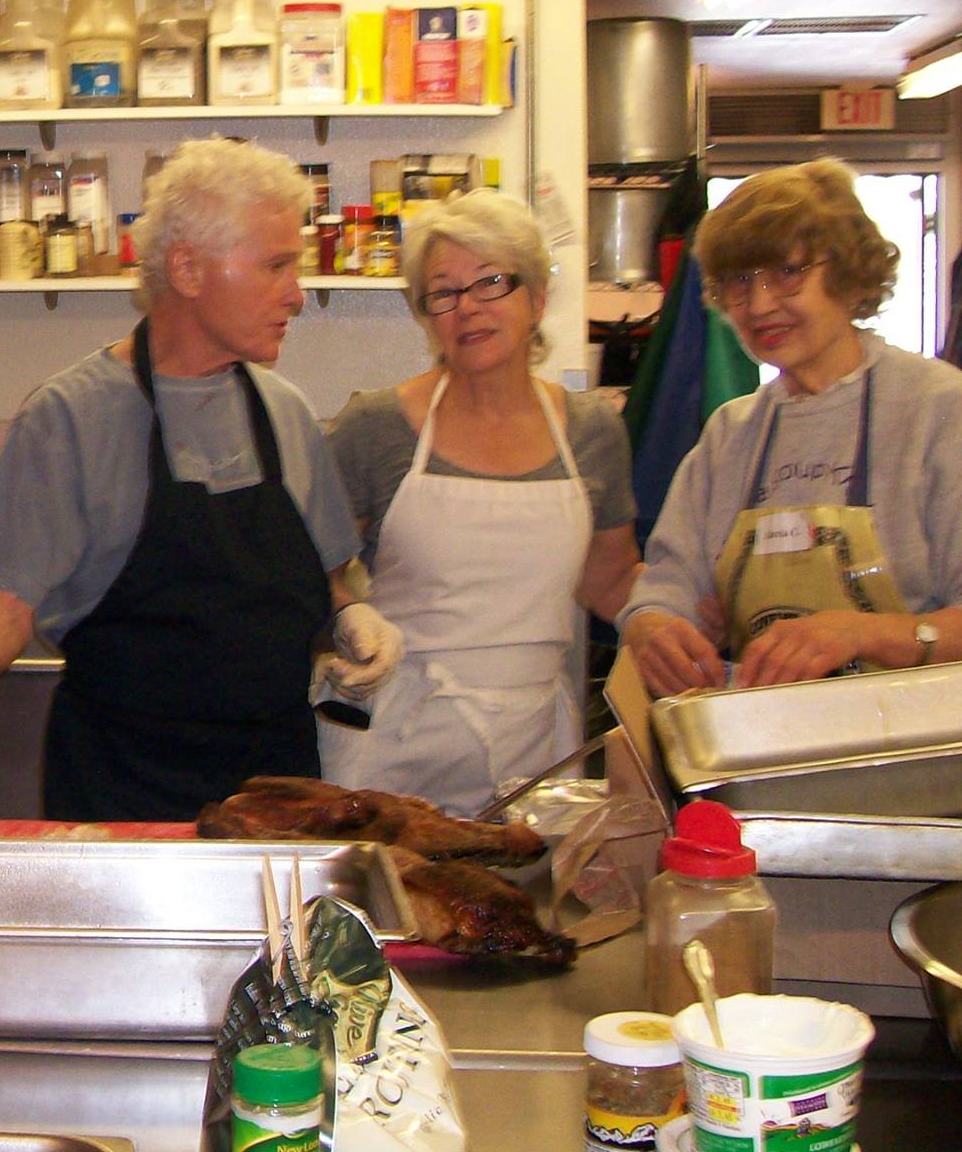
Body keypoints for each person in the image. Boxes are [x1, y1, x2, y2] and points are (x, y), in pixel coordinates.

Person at [0, 139, 401, 822]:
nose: (297, 294)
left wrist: (350, 614)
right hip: (124, 798)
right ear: (189, 269)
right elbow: (8, 605)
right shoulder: (71, 417)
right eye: (276, 266)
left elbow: (326, 573)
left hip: (277, 799)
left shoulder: (284, 410)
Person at [318, 191, 642, 815]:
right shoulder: (376, 426)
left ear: (537, 299)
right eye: (444, 292)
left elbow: (612, 581)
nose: (468, 308)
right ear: (427, 315)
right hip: (394, 746)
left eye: (491, 282)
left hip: (534, 751)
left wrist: (680, 618)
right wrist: (347, 614)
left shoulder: (590, 431)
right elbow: (312, 572)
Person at [621, 159, 962, 695]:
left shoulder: (939, 410)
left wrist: (867, 633)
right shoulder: (730, 434)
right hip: (768, 752)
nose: (759, 303)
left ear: (849, 274)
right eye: (738, 280)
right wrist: (653, 627)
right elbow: (665, 588)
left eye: (787, 273)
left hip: (920, 757)